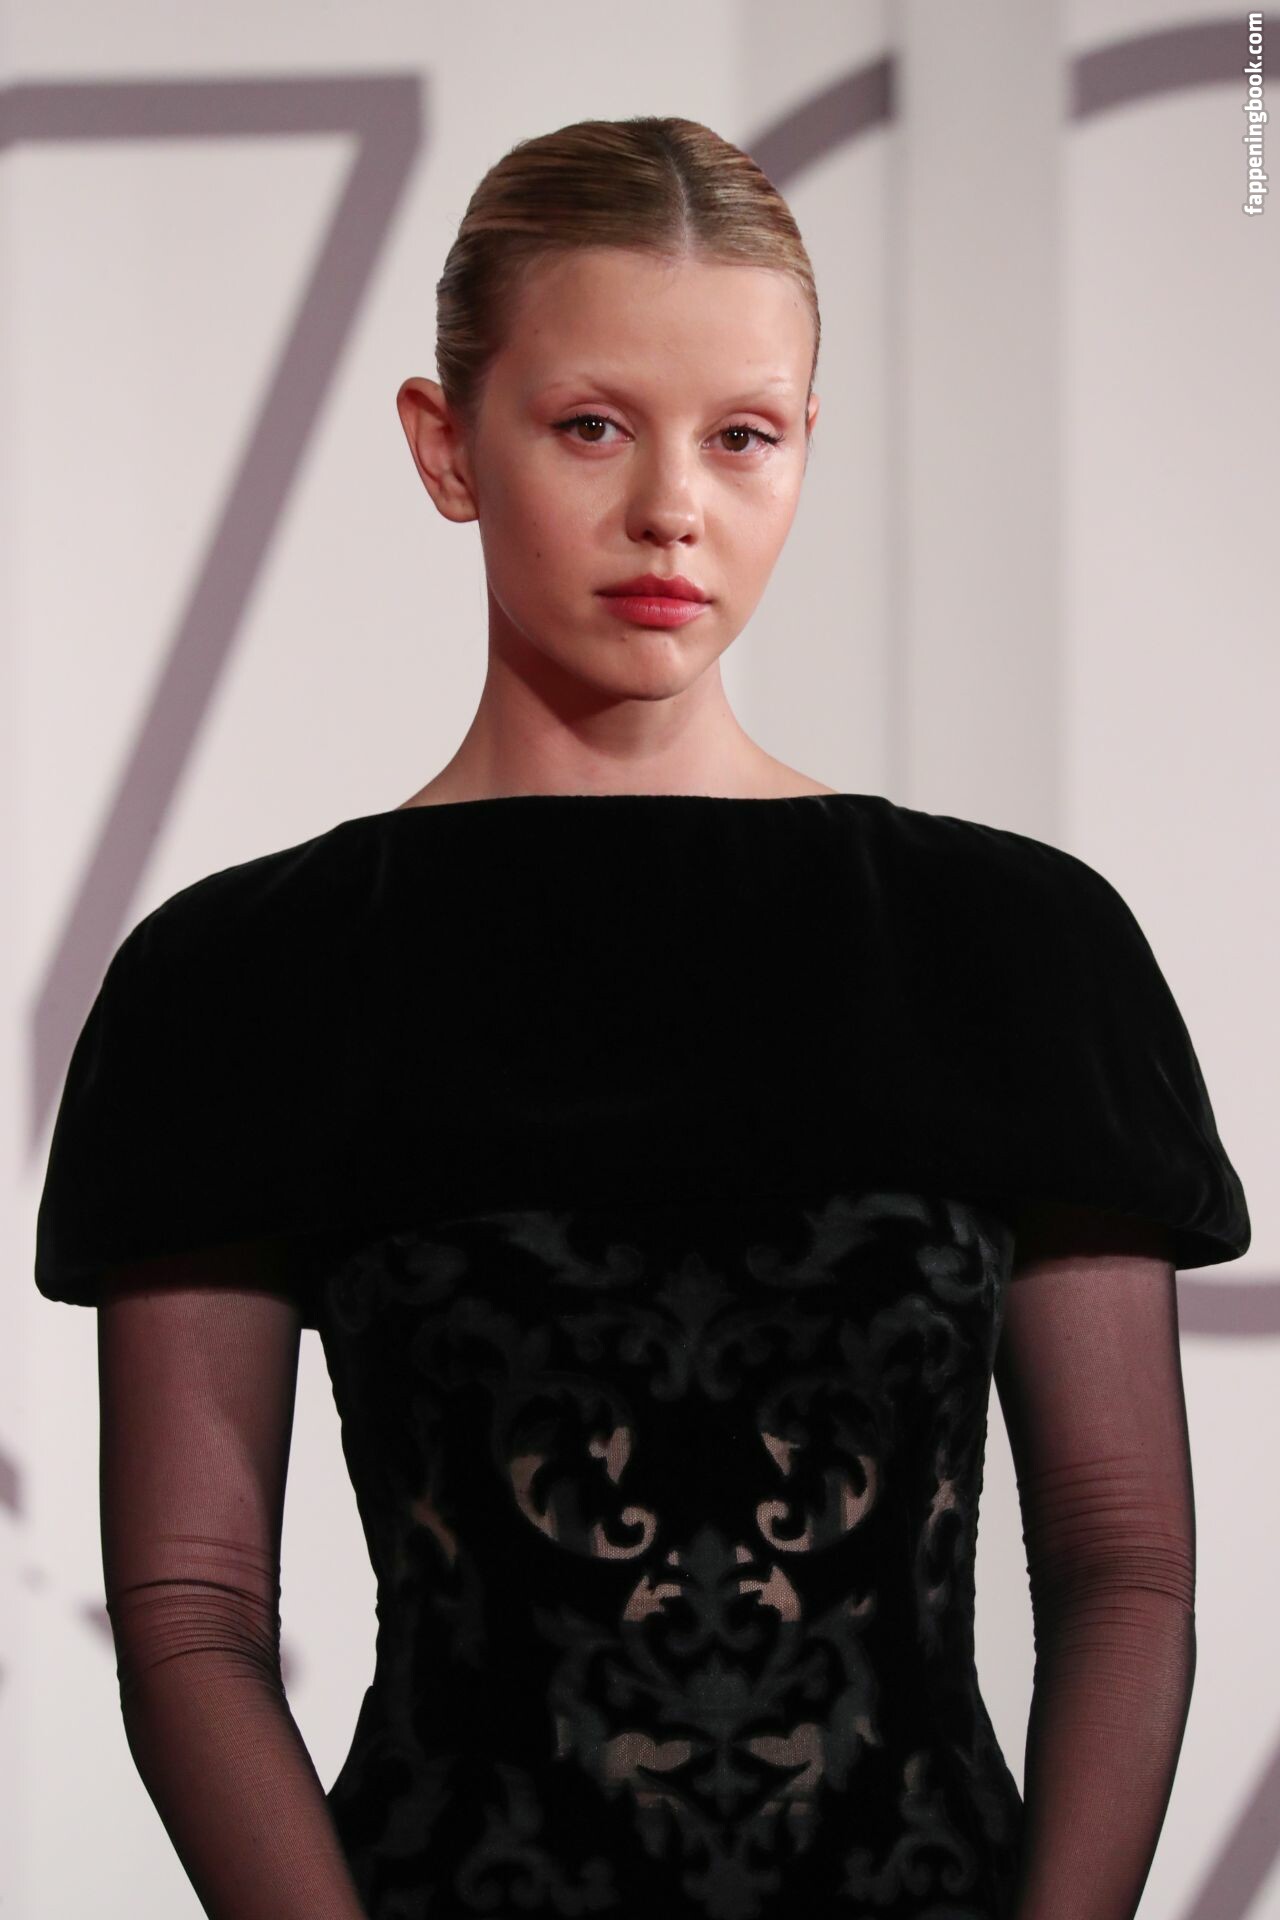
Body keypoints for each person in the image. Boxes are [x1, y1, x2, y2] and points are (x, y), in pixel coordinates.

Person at [33, 115, 1250, 1920]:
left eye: (743, 436)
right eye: (594, 424)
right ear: (446, 445)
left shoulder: (1018, 950)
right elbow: (192, 1613)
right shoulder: (245, 983)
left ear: (808, 446)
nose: (674, 505)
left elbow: (1124, 1567)